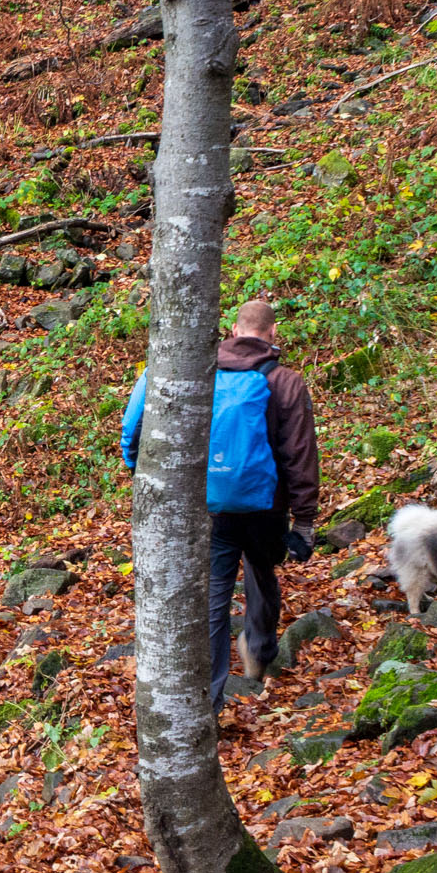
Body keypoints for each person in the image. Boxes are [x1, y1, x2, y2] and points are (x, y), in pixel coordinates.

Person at [119, 300, 320, 711]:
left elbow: (141, 419)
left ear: (233, 329)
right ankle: (258, 650)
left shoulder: (200, 372)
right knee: (262, 572)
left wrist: (137, 465)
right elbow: (300, 455)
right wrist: (304, 521)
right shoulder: (286, 382)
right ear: (273, 332)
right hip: (266, 506)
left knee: (214, 595)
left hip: (210, 502)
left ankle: (208, 702)